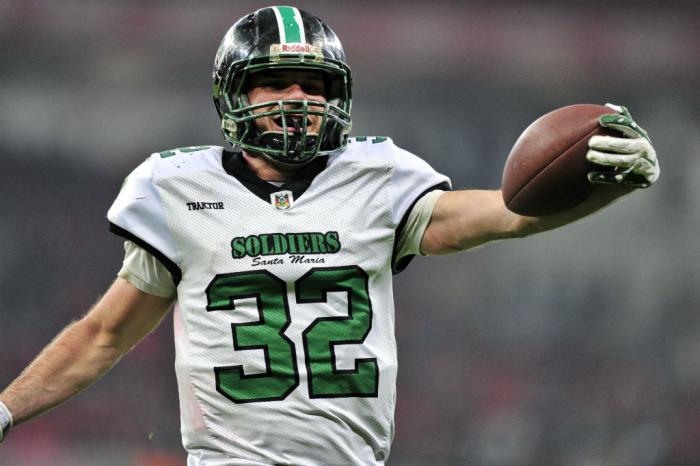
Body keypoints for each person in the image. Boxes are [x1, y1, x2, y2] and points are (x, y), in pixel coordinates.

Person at [0, 6, 659, 465]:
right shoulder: (176, 187)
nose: (297, 98)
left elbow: (509, 215)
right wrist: (5, 410)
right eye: (273, 83)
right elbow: (104, 334)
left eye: (313, 84)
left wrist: (607, 184)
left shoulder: (378, 176)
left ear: (338, 96)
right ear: (232, 96)